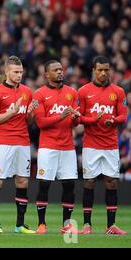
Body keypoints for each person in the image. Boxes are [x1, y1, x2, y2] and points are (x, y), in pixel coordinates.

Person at [78, 56, 128, 235]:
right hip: (91, 144)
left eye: (106, 70)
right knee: (89, 182)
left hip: (110, 145)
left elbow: (124, 116)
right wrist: (93, 120)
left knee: (111, 182)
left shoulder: (119, 91)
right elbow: (78, 118)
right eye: (100, 70)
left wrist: (114, 120)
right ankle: (86, 225)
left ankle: (111, 225)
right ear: (93, 70)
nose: (103, 73)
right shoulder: (83, 91)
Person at [32, 60, 81, 235]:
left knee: (69, 186)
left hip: (67, 147)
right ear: (47, 74)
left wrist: (75, 117)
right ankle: (41, 224)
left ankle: (67, 224)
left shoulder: (72, 92)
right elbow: (41, 123)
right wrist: (61, 116)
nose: (60, 72)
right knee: (44, 185)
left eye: (61, 69)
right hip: (48, 146)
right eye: (56, 70)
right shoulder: (39, 94)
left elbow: (75, 123)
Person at [0, 56, 36, 234]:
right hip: (4, 142)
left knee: (22, 180)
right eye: (16, 72)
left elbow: (29, 120)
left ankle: (20, 225)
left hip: (23, 142)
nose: (19, 75)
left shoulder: (27, 91)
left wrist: (30, 113)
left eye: (21, 72)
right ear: (7, 72)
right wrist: (11, 112)